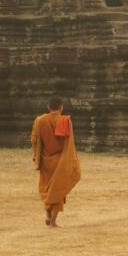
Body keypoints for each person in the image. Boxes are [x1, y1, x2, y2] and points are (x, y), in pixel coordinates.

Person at [30, 97, 81, 227]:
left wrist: (37, 155)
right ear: (61, 107)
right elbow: (69, 144)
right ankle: (52, 221)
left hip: (46, 160)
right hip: (61, 161)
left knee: (47, 188)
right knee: (58, 189)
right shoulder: (64, 121)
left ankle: (48, 214)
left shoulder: (39, 121)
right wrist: (72, 159)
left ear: (48, 107)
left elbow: (34, 140)